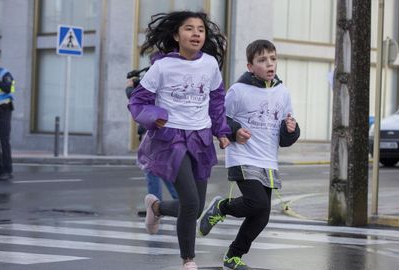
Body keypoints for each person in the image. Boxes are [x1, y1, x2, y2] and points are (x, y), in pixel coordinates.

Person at [127, 11, 230, 270]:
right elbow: (138, 101)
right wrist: (154, 115)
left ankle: (157, 207)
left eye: (200, 29)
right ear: (176, 35)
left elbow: (217, 101)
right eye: (189, 29)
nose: (196, 33)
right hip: (171, 138)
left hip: (201, 138)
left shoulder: (209, 65)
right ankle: (188, 259)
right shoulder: (162, 66)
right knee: (191, 202)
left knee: (194, 209)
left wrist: (221, 131)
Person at [199, 39, 300, 270]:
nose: (269, 64)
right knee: (256, 203)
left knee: (262, 214)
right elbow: (218, 117)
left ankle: (232, 257)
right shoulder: (238, 91)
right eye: (262, 60)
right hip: (244, 157)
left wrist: (292, 130)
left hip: (269, 160)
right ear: (250, 66)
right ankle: (221, 207)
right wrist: (235, 131)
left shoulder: (283, 92)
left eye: (273, 59)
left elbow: (286, 133)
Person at [126, 78, 178, 202]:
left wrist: (129, 88)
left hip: (159, 132)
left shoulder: (159, 74)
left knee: (152, 168)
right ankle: (180, 201)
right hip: (165, 131)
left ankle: (155, 205)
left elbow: (138, 99)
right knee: (161, 168)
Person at [0, 55, 15, 181]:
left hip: (4, 110)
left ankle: (8, 170)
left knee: (4, 141)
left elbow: (7, 89)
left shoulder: (5, 74)